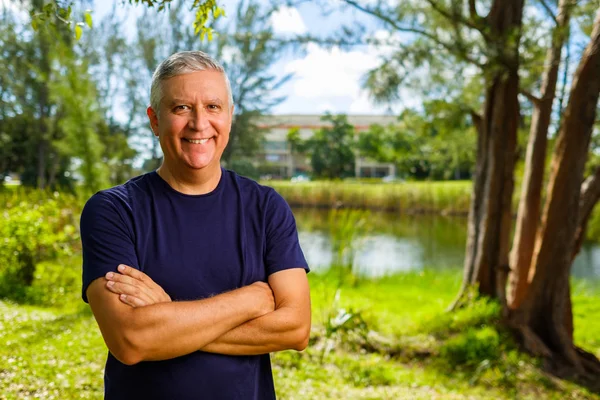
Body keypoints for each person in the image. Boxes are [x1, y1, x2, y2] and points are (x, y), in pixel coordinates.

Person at [80, 50, 311, 400]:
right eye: (181, 108)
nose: (199, 123)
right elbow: (130, 340)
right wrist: (252, 300)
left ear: (230, 117)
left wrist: (166, 317)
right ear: (155, 121)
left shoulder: (265, 207)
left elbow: (295, 328)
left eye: (213, 107)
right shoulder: (113, 210)